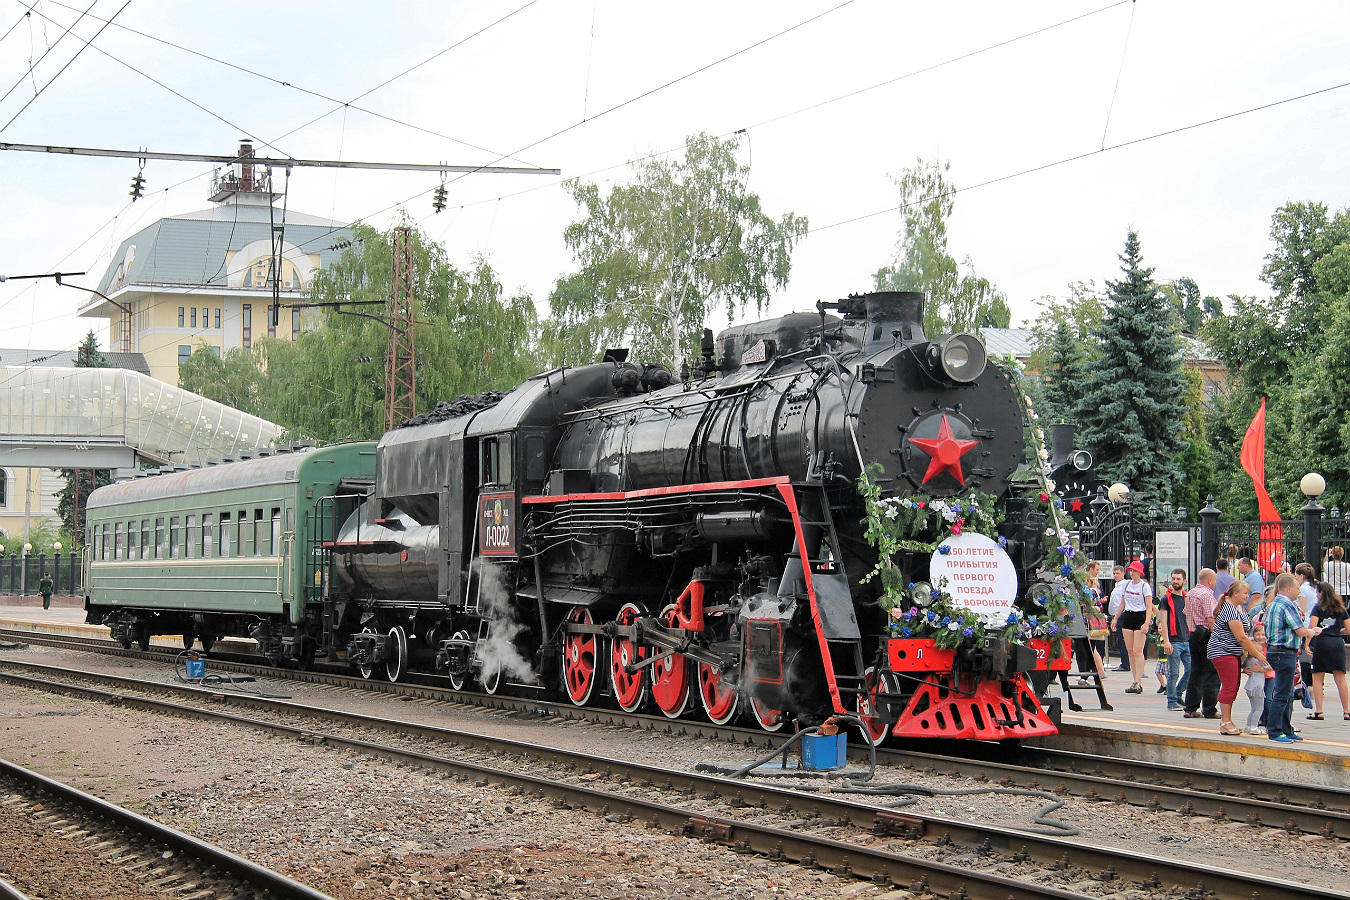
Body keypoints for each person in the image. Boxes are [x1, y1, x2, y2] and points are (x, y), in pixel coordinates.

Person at [1265, 573, 1325, 743]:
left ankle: (1286, 729)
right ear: (1289, 588)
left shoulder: (1274, 603)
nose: (1300, 591)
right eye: (1298, 588)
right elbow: (1299, 629)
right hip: (1284, 652)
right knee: (1283, 693)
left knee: (1287, 692)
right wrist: (1312, 631)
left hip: (1276, 651)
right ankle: (1275, 731)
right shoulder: (1287, 604)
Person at [1207, 581, 1268, 736]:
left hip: (1231, 652)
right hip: (1223, 651)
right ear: (1235, 594)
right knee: (1229, 685)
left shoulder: (1236, 608)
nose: (1247, 596)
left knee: (1233, 685)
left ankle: (1227, 720)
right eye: (1245, 593)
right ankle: (1225, 721)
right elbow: (1241, 637)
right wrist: (1258, 654)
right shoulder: (1230, 610)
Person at [1308, 581, 1349, 721]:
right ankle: (1346, 711)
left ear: (1320, 593)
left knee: (1318, 678)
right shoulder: (1341, 608)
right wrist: (1337, 631)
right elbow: (1349, 629)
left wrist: (1307, 644)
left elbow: (1312, 627)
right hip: (1337, 643)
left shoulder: (1318, 608)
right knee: (1340, 678)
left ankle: (1319, 711)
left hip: (1322, 643)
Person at [1183, 568, 1220, 718]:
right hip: (1206, 636)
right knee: (1211, 673)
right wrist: (1217, 637)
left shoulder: (1190, 593)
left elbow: (1186, 613)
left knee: (1196, 672)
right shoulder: (1207, 595)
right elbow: (1211, 618)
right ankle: (1210, 708)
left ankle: (1190, 707)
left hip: (1193, 635)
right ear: (1210, 580)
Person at [1112, 560, 1153, 694]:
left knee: (1137, 650)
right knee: (1130, 650)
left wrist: (1147, 622)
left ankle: (1138, 681)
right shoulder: (1127, 585)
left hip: (1140, 616)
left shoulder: (1144, 586)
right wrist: (1116, 618)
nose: (1132, 573)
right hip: (1128, 616)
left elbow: (1149, 606)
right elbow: (1122, 603)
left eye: (1134, 571)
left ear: (1140, 572)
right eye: (1131, 570)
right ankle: (1134, 679)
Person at [1157, 568, 1191, 710]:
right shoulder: (1166, 599)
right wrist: (1167, 641)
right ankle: (1171, 701)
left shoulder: (1186, 597)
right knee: (1174, 673)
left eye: (1178, 579)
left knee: (1191, 670)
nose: (1175, 581)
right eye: (1173, 578)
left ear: (1184, 581)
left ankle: (1178, 693)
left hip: (1186, 639)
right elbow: (1163, 621)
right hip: (1174, 640)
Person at [1243, 619, 1272, 734]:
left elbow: (1243, 665)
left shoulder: (1249, 659)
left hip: (1249, 687)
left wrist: (1245, 669)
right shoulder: (1259, 660)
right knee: (1259, 708)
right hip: (1258, 688)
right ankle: (1254, 727)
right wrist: (1262, 669)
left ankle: (1249, 726)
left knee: (1253, 708)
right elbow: (1271, 667)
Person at [1108, 564, 1129, 672]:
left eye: (1118, 573)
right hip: (1116, 615)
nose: (1115, 575)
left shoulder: (1125, 584)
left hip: (1122, 615)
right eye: (1114, 573)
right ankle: (1125, 662)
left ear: (1123, 573)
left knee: (1123, 640)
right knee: (1120, 639)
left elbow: (1122, 602)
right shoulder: (1117, 586)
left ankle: (1126, 663)